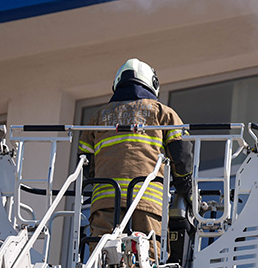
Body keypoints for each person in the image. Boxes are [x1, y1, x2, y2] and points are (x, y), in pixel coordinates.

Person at [78, 58, 193, 254]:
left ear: (117, 84)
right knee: (147, 262)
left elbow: (86, 166)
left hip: (105, 204)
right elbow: (182, 157)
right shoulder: (163, 114)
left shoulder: (97, 118)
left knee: (102, 263)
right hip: (147, 202)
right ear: (152, 84)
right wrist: (185, 186)